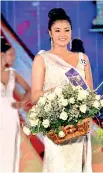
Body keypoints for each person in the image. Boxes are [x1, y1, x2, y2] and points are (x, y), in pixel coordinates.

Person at [31, 8, 93, 172]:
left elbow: (90, 96)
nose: (62, 34)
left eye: (66, 30)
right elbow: (35, 95)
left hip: (79, 128)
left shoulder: (82, 59)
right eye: (57, 30)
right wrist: (56, 91)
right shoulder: (43, 59)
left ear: (72, 31)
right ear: (50, 33)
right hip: (57, 129)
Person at [0, 38, 31, 172]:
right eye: (11, 54)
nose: (14, 57)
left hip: (10, 115)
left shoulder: (13, 73)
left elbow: (29, 89)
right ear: (2, 55)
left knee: (10, 147)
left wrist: (21, 104)